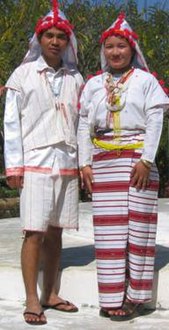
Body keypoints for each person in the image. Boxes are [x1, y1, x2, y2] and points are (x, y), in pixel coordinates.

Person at [78, 12, 169, 322]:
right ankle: (112, 295)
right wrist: (84, 163)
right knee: (109, 233)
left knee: (138, 230)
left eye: (121, 46)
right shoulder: (92, 84)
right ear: (104, 50)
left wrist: (146, 159)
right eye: (109, 46)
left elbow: (156, 119)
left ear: (132, 48)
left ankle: (136, 296)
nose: (115, 52)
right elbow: (82, 123)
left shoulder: (146, 81)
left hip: (136, 161)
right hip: (103, 164)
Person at [4, 0, 83, 325]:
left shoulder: (76, 77)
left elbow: (84, 122)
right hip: (36, 160)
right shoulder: (22, 75)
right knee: (33, 231)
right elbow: (11, 123)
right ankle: (32, 299)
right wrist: (14, 165)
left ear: (67, 41)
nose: (54, 41)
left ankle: (50, 293)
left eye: (60, 36)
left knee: (56, 231)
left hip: (67, 161)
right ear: (39, 38)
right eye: (48, 35)